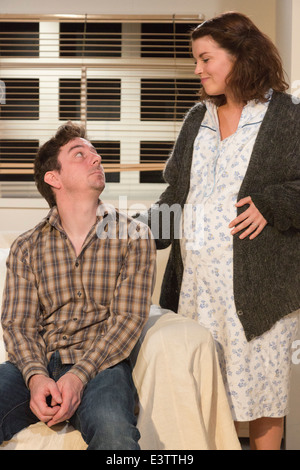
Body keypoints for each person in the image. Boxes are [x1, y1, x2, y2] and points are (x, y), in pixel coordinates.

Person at [137, 12, 300, 450]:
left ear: (240, 56)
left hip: (257, 291)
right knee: (202, 397)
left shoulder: (286, 116)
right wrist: (132, 236)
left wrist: (272, 203)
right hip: (196, 289)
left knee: (263, 397)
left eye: (206, 58)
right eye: (196, 60)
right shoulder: (198, 118)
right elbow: (176, 193)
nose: (197, 69)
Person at [0, 122, 156, 450]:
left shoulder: (134, 237)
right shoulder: (27, 246)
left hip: (101, 367)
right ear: (53, 178)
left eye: (96, 154)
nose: (96, 159)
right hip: (36, 362)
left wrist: (78, 376)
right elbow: (18, 325)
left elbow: (127, 321)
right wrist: (36, 376)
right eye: (80, 154)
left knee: (115, 436)